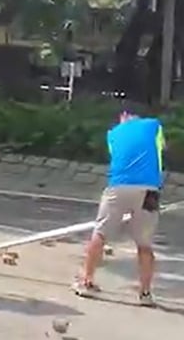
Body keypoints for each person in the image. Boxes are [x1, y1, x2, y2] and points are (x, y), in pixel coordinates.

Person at [73, 104, 164, 306]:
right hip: (150, 190)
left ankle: (86, 282)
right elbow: (159, 151)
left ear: (123, 115)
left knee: (101, 232)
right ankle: (145, 293)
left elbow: (119, 158)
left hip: (119, 186)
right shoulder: (154, 126)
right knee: (144, 244)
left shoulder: (112, 134)